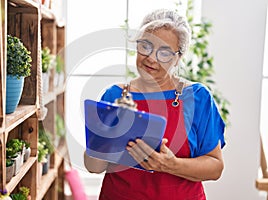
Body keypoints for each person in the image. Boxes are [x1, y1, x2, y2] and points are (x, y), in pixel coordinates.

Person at [84, 9, 225, 200]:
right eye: (146, 46)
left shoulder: (197, 97)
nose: (151, 58)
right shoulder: (115, 95)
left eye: (164, 52)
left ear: (178, 57)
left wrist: (170, 165)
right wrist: (107, 136)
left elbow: (215, 167)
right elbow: (94, 167)